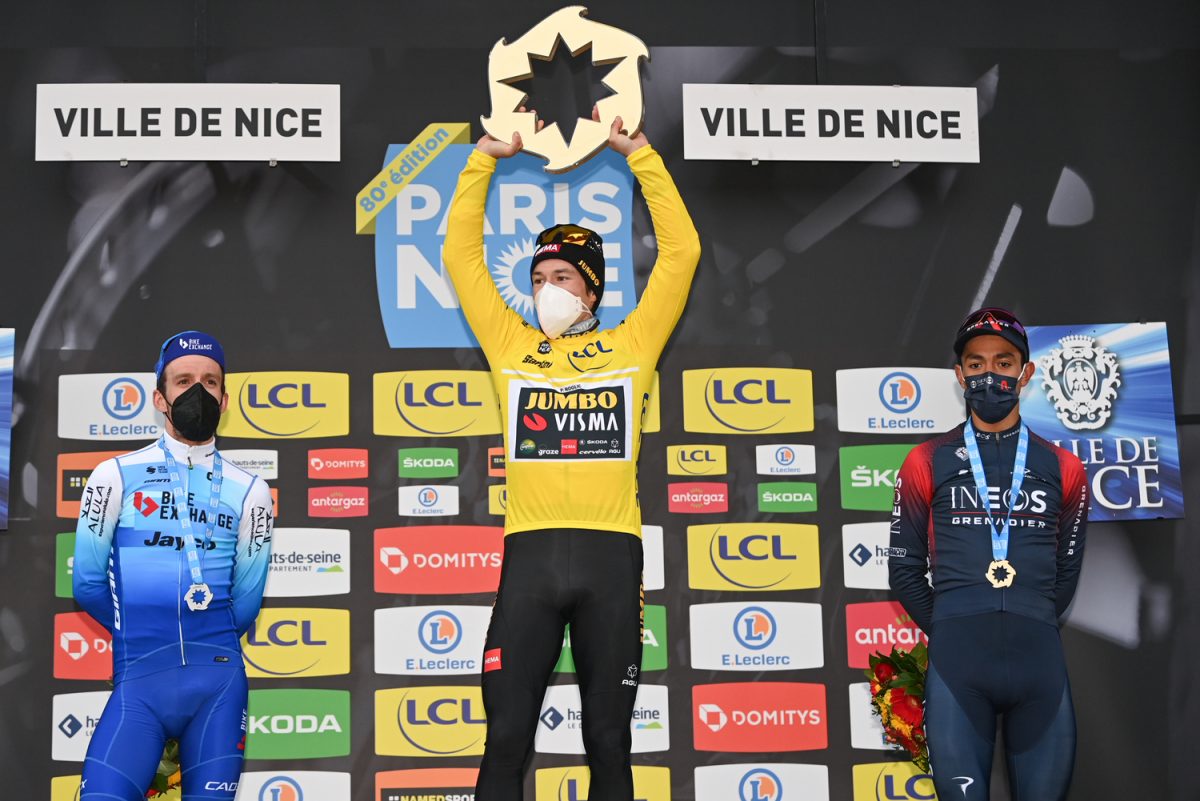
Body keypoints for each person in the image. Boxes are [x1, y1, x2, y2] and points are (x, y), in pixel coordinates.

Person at [442, 108, 700, 801]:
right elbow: (461, 258)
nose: (546, 289)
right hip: (529, 556)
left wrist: (642, 156)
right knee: (505, 737)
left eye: (562, 277)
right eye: (538, 277)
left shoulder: (632, 344)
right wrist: (482, 160)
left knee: (609, 743)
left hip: (610, 559)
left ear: (591, 290)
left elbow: (681, 254)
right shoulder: (510, 344)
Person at [889, 307, 1089, 799]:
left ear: (1026, 372)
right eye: (976, 364)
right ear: (960, 376)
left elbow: (1066, 573)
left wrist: (1027, 616)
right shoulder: (925, 460)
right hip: (959, 667)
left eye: (1003, 362)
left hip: (1039, 666)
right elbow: (904, 570)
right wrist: (956, 625)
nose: (989, 374)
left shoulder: (1065, 466)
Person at [73, 331, 274, 801]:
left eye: (210, 381)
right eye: (183, 381)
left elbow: (246, 604)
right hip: (141, 682)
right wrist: (145, 635)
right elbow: (87, 584)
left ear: (225, 400)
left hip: (218, 687)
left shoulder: (252, 491)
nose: (197, 392)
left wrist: (197, 637)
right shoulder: (113, 476)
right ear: (159, 398)